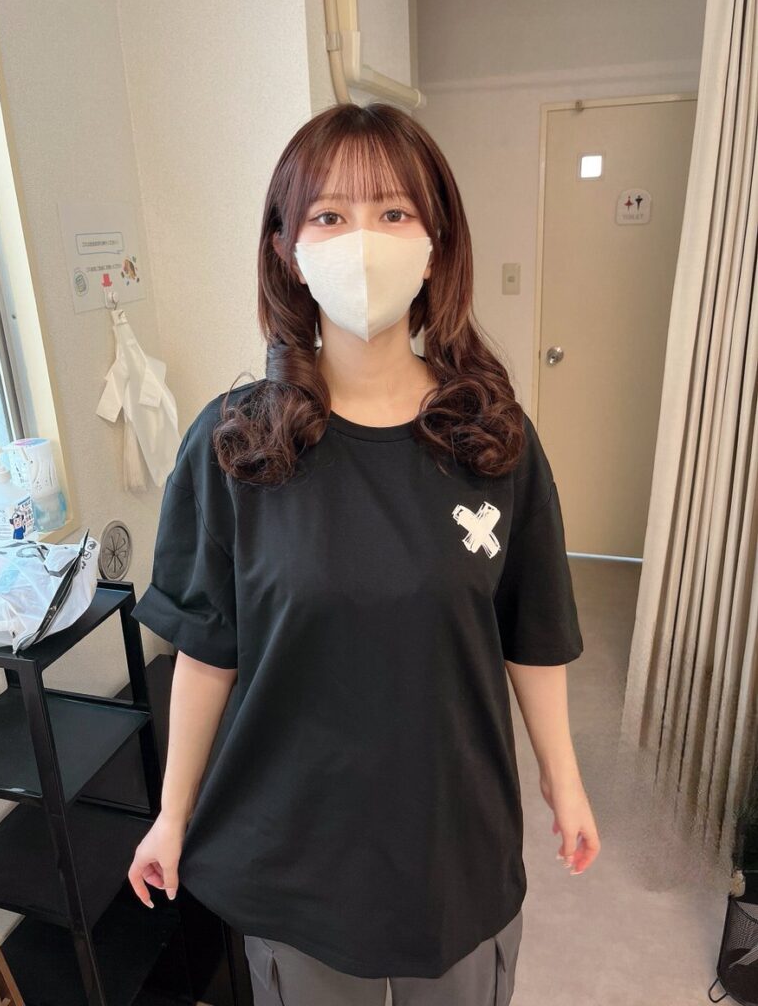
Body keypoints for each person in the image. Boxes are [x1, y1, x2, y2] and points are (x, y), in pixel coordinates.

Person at [127, 101, 601, 1006]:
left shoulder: (493, 440)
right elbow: (206, 652)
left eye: (393, 212)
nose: (363, 241)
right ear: (286, 249)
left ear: (436, 243)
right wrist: (171, 816)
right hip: (296, 851)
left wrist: (564, 781)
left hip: (453, 842)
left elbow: (533, 633)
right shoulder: (235, 448)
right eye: (329, 216)